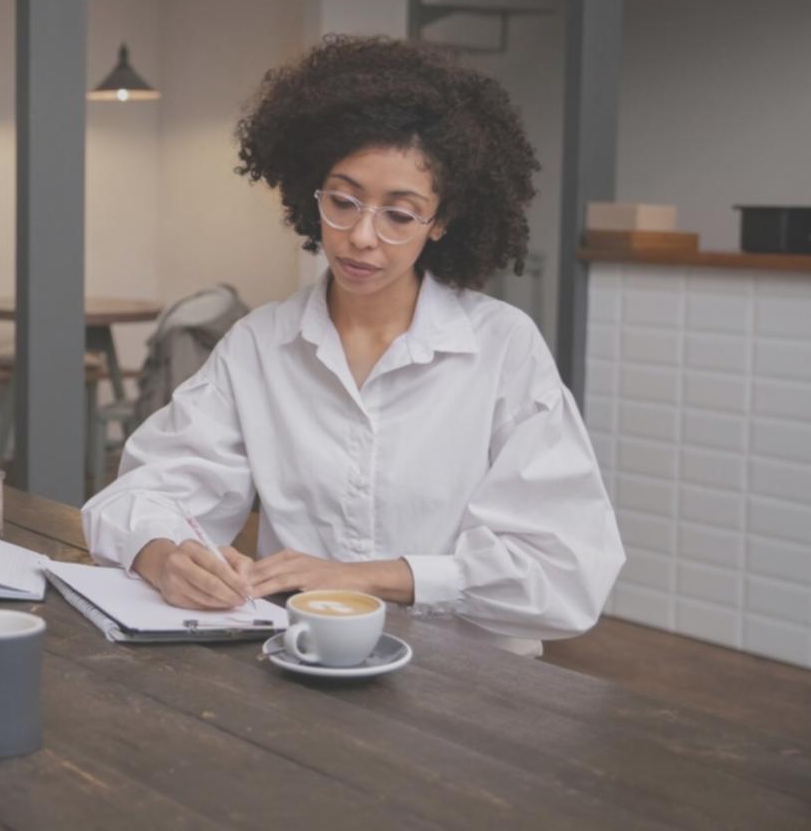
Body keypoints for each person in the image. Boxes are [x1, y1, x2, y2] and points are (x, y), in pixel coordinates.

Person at [82, 36, 624, 655]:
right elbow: (139, 494)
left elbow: (568, 574)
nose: (361, 237)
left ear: (441, 220)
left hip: (467, 692)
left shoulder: (503, 347)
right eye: (342, 202)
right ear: (311, 195)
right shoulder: (261, 345)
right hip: (302, 664)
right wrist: (160, 555)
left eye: (399, 215)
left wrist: (367, 577)